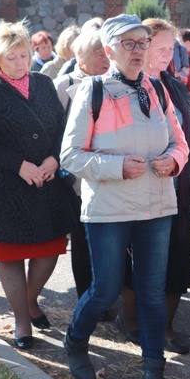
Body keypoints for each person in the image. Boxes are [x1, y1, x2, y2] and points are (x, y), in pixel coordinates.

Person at [59, 13, 189, 379]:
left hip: (157, 206)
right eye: (129, 43)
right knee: (106, 288)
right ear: (109, 49)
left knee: (151, 291)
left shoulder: (159, 89)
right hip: (109, 209)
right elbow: (70, 156)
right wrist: (116, 167)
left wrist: (174, 161)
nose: (138, 50)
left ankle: (153, 371)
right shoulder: (92, 90)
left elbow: (180, 143)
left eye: (142, 42)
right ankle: (76, 341)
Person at [0, 21, 78, 350]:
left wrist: (54, 158)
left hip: (45, 181)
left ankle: (29, 300)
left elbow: (61, 128)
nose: (21, 63)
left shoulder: (42, 83)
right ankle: (22, 321)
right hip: (3, 184)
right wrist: (19, 166)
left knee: (50, 250)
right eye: (12, 58)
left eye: (24, 55)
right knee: (10, 256)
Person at [116, 18, 190, 356]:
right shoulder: (122, 88)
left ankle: (165, 326)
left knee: (177, 259)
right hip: (138, 189)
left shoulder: (174, 86)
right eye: (160, 48)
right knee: (140, 262)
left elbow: (186, 136)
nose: (168, 55)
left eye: (171, 49)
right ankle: (131, 320)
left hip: (176, 187)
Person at [52, 28, 110, 298]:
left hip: (110, 173)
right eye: (99, 54)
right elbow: (53, 130)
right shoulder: (64, 85)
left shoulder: (114, 81)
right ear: (81, 59)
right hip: (76, 178)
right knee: (83, 240)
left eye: (107, 52)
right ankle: (88, 294)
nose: (106, 59)